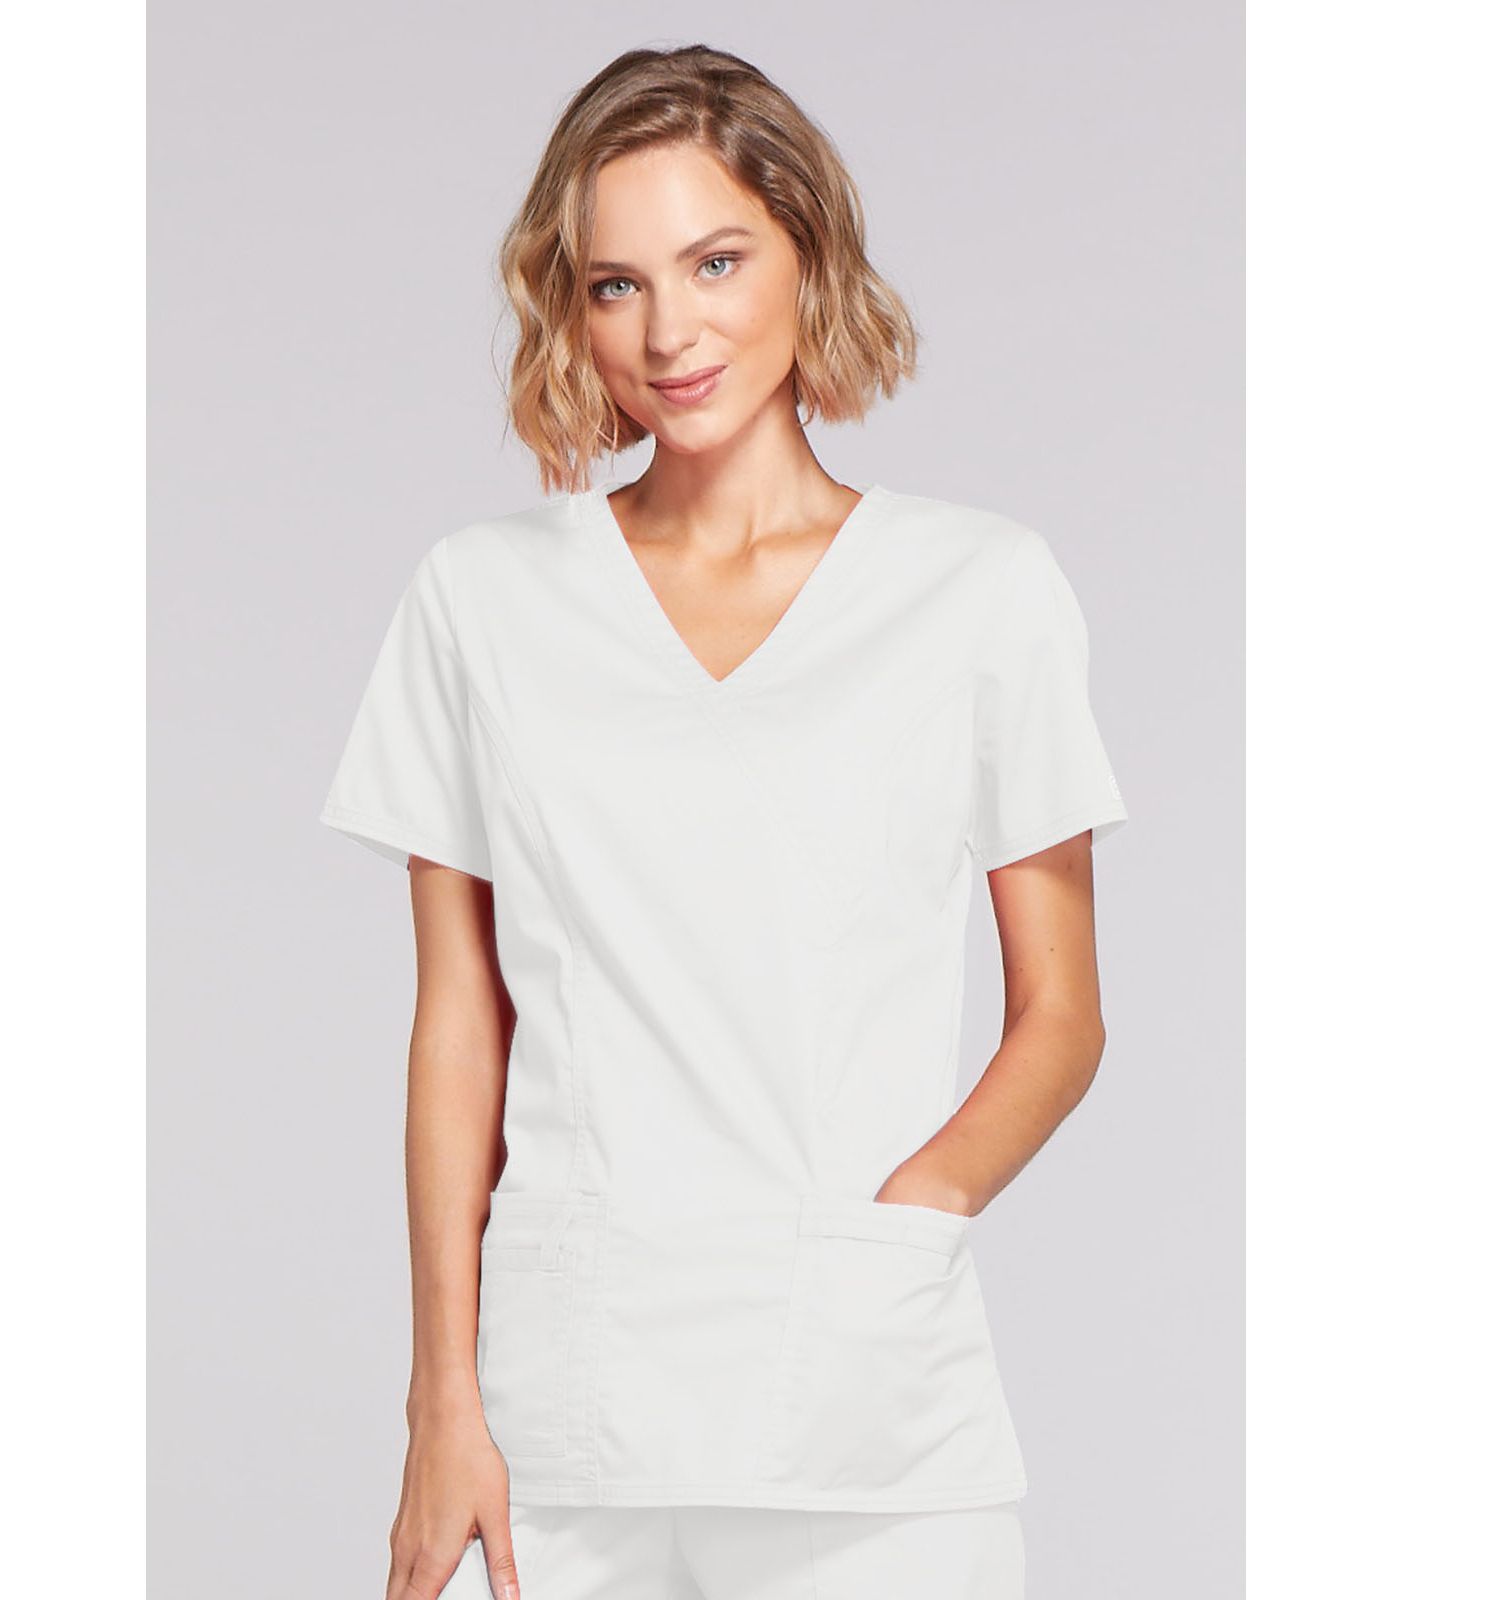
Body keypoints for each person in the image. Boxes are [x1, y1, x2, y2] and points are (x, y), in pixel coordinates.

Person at [320, 42, 1129, 1600]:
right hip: (561, 1425)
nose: (669, 331)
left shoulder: (979, 591)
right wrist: (441, 1404)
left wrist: (902, 1225)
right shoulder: (482, 600)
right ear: (569, 307)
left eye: (715, 261)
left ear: (807, 253)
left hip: (870, 1426)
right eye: (615, 284)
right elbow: (460, 1025)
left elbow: (1064, 1017)